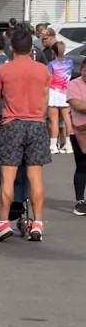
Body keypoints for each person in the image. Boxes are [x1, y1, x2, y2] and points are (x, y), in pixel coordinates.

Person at [0, 28, 51, 241]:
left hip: (12, 124)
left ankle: (3, 223)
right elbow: (44, 102)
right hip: (36, 125)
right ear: (31, 48)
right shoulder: (43, 71)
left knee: (8, 178)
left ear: (12, 47)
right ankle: (38, 223)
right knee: (36, 178)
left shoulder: (3, 71)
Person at [65, 65, 86, 216]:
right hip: (79, 130)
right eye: (85, 70)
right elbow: (77, 105)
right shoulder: (74, 84)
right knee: (82, 165)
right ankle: (80, 201)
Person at [46, 42, 73, 154]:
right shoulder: (70, 63)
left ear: (53, 51)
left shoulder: (51, 65)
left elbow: (49, 81)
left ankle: (53, 145)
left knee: (54, 120)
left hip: (54, 93)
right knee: (67, 119)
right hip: (66, 92)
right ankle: (68, 144)